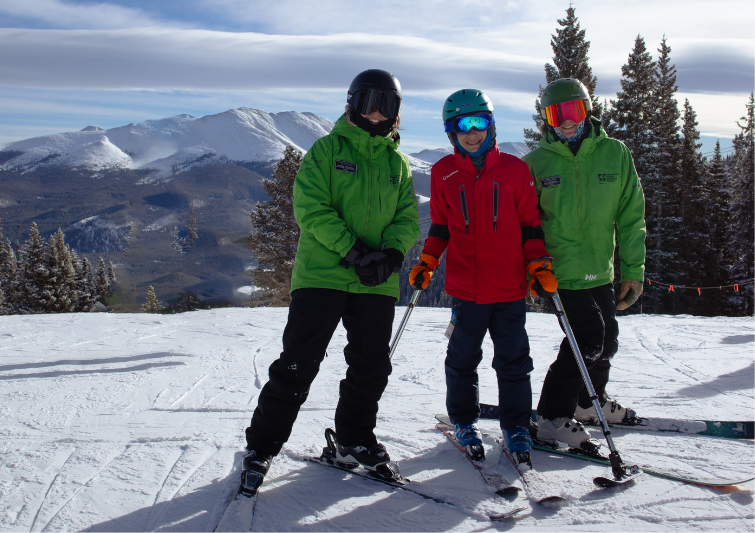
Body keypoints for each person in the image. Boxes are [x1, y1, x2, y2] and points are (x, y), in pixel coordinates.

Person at [240, 69, 420, 495]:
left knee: (371, 366)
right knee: (298, 363)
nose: (376, 112)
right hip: (322, 276)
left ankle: (354, 439)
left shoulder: (398, 164)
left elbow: (407, 218)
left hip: (375, 282)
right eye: (369, 101)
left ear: (396, 112)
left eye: (387, 105)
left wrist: (391, 255)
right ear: (352, 103)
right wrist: (354, 252)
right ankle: (262, 446)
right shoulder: (325, 151)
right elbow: (311, 208)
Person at [409, 89, 555, 468]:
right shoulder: (443, 173)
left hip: (509, 287)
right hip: (466, 290)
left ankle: (516, 427)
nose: (471, 133)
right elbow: (440, 226)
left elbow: (530, 226)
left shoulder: (515, 170)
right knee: (461, 360)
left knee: (514, 362)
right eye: (462, 125)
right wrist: (427, 261)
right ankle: (463, 421)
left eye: (479, 123)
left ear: (491, 125)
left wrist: (539, 266)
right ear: (451, 132)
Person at [522, 78, 646, 450]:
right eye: (556, 114)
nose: (566, 121)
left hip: (600, 271)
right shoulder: (535, 164)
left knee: (607, 342)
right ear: (546, 118)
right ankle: (551, 416)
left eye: (573, 110)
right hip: (557, 274)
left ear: (587, 110)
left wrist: (633, 272)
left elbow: (631, 216)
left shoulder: (615, 153)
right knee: (587, 339)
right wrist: (527, 272)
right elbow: (523, 226)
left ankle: (587, 402)